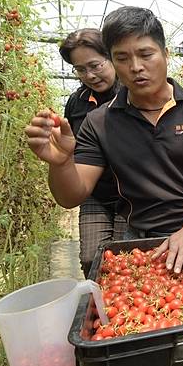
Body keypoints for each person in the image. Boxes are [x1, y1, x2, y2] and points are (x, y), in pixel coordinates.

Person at [25, 7, 183, 274]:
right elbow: (71, 197)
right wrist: (61, 162)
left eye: (146, 54)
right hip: (140, 241)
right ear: (113, 62)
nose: (136, 67)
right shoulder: (100, 122)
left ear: (165, 54)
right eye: (122, 58)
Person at [58, 28, 126, 278]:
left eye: (95, 65)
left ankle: (124, 308)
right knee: (90, 258)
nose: (90, 75)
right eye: (81, 69)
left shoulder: (132, 94)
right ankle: (99, 308)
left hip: (130, 193)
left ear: (111, 56)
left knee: (122, 258)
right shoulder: (77, 103)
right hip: (94, 192)